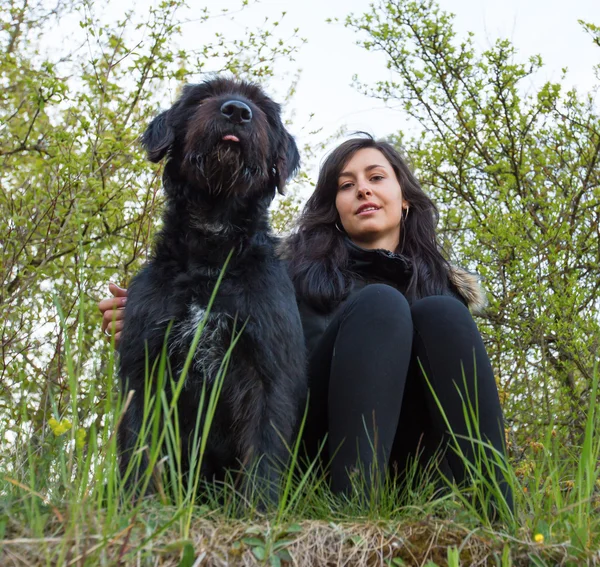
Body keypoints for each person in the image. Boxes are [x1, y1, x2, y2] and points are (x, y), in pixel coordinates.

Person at [98, 135, 513, 513]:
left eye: (375, 177)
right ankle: (352, 520)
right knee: (381, 305)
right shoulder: (284, 273)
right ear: (335, 207)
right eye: (346, 185)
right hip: (311, 448)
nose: (362, 189)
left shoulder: (445, 290)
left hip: (412, 463)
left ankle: (500, 520)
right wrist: (155, 321)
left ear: (404, 197)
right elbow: (224, 348)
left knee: (442, 314)